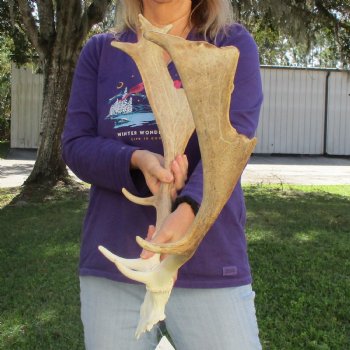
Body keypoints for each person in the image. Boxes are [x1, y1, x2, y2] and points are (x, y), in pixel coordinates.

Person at [62, 0, 263, 349]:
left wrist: (186, 213)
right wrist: (135, 160)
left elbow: (234, 143)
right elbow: (76, 145)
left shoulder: (230, 44)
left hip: (209, 265)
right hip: (118, 267)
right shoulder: (101, 50)